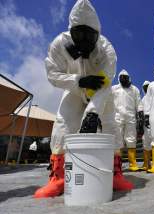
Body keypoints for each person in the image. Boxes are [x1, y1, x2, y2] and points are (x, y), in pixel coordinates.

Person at [34, 0, 130, 198]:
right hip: (75, 90)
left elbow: (106, 82)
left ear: (98, 33)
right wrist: (78, 81)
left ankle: (115, 174)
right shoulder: (60, 45)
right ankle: (58, 178)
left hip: (102, 92)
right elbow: (53, 75)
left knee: (111, 125)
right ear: (71, 31)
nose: (85, 39)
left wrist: (93, 113)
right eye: (79, 34)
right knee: (62, 125)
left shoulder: (106, 50)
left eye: (90, 35)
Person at [112, 70, 143, 172]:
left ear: (129, 77)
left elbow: (139, 103)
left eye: (126, 77)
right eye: (122, 77)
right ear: (119, 78)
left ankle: (133, 163)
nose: (124, 78)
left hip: (131, 117)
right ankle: (117, 164)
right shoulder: (114, 89)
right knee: (117, 140)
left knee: (131, 139)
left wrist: (141, 114)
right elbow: (108, 102)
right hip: (117, 117)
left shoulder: (134, 89)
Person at [138, 80, 152, 171]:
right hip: (146, 125)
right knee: (146, 142)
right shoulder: (142, 100)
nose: (146, 88)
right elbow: (140, 112)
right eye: (145, 87)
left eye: (148, 86)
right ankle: (147, 163)